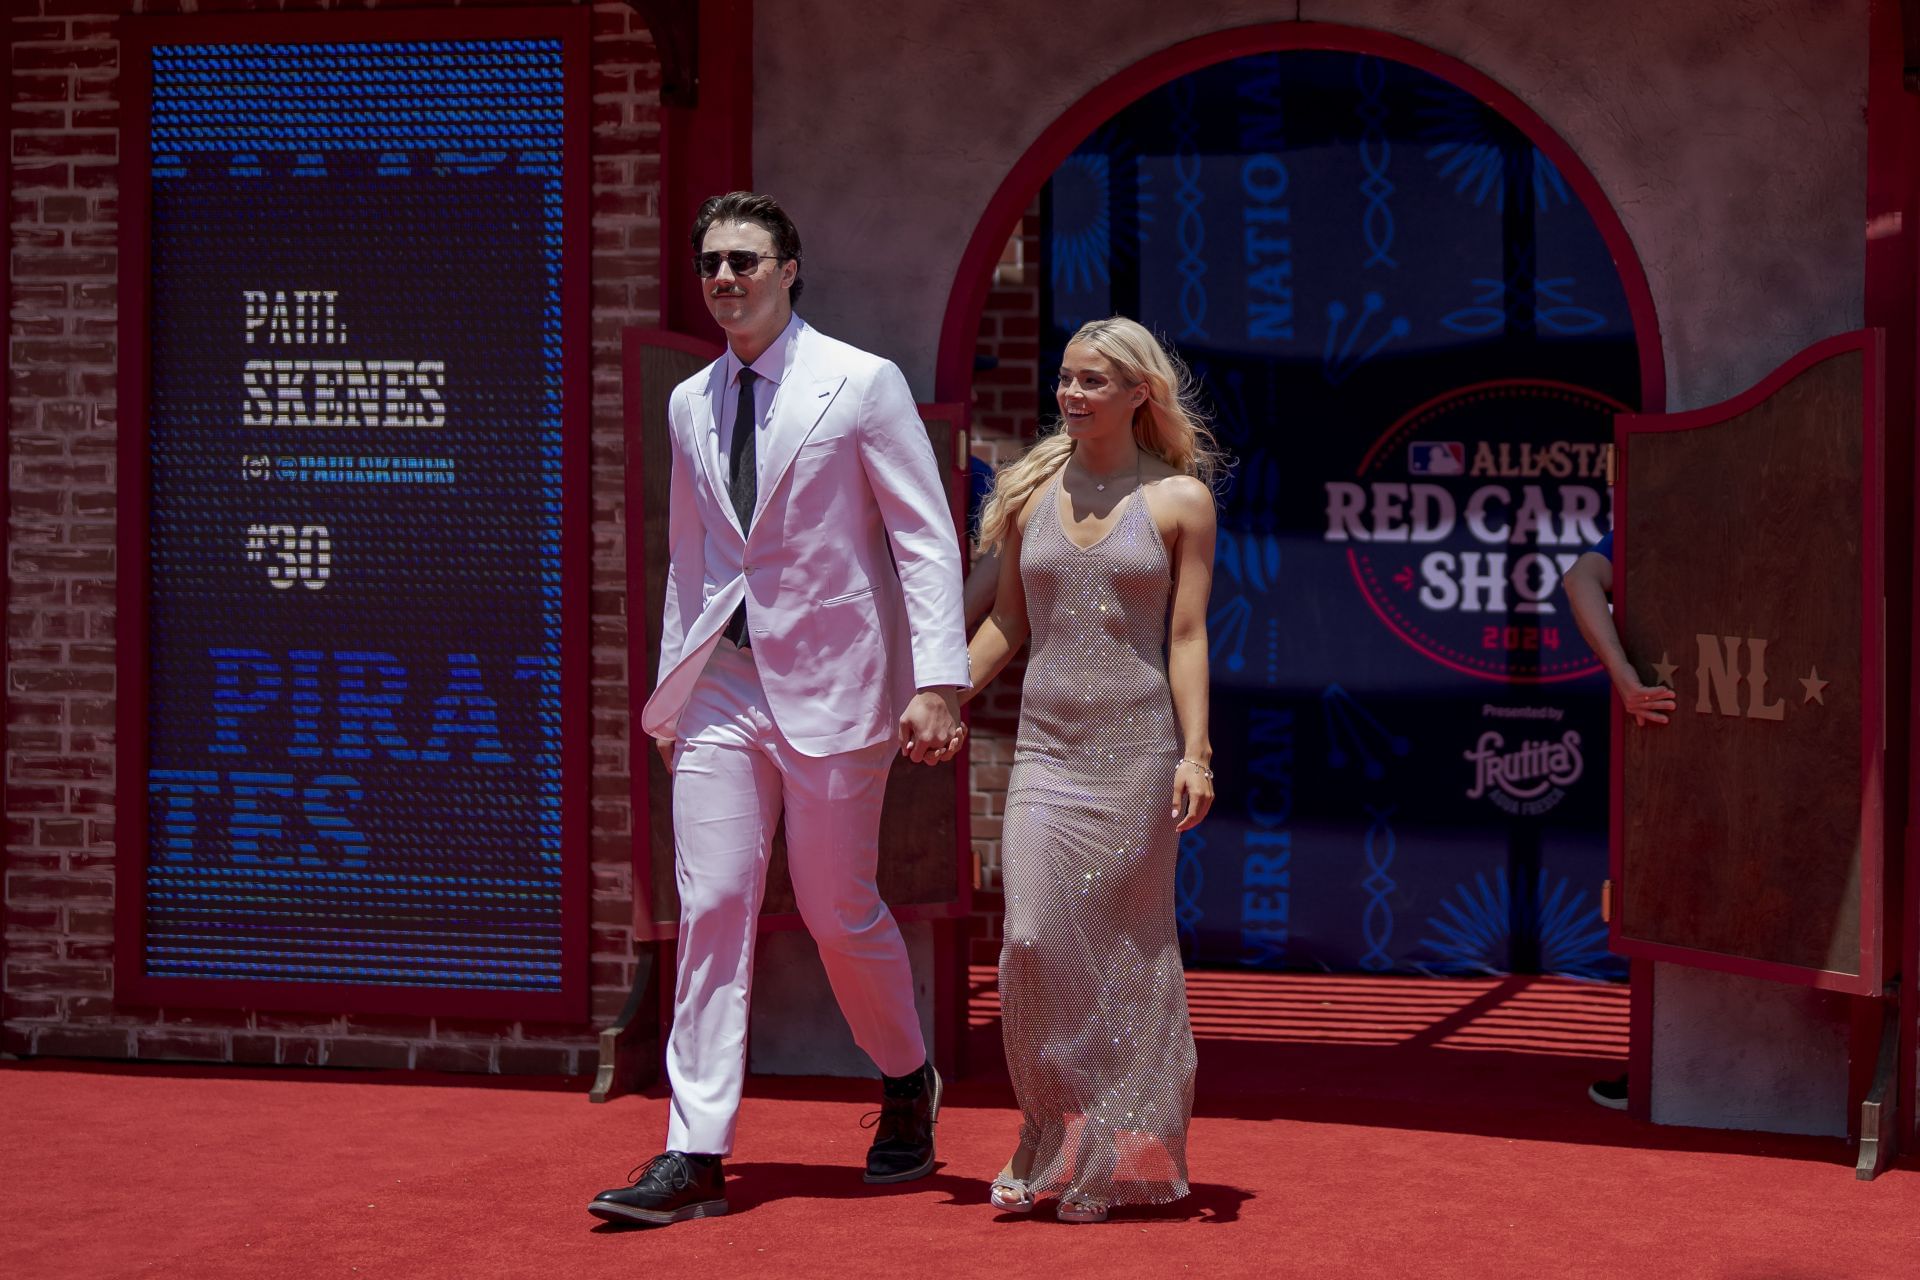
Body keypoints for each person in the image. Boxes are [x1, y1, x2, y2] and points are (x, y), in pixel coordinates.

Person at [590, 192, 970, 1227]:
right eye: (711, 261)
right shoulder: (690, 402)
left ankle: (904, 1078)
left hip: (840, 684)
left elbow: (925, 539)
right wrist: (673, 689)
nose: (724, 278)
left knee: (837, 904)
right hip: (722, 684)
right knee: (711, 904)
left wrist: (936, 678)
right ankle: (694, 1149)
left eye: (745, 260)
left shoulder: (860, 382)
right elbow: (694, 557)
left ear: (789, 269)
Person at [962, 317, 1221, 1222]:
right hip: (1045, 753)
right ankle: (1043, 1124)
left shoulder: (1181, 500)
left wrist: (1197, 753)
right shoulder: (1030, 489)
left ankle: (1108, 1147)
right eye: (1065, 379)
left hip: (1139, 754)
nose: (1071, 395)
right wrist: (938, 695)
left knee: (1123, 954)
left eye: (1092, 381)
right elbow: (1004, 624)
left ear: (1138, 391)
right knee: (1029, 938)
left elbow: (1185, 636)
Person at [1561, 528, 1676, 1110]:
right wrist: (1626, 676)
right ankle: (1666, 1065)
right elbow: (1582, 578)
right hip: (1680, 728)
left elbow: (1581, 577)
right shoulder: (1667, 498)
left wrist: (1624, 675)